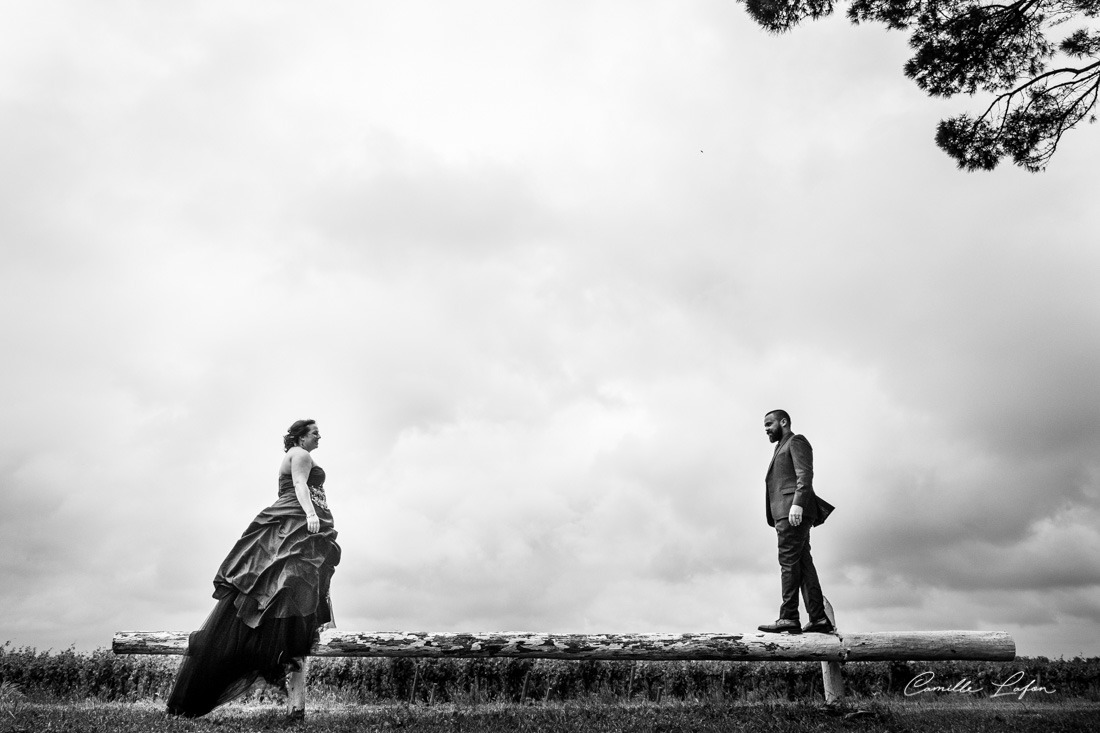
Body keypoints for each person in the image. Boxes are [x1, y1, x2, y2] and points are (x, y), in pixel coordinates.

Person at [167, 419, 341, 717]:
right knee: (287, 577)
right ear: (300, 437)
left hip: (300, 522)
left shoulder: (303, 454)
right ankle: (273, 640)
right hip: (297, 519)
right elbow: (300, 484)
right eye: (315, 432)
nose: (319, 436)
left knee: (295, 576)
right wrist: (311, 514)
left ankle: (285, 638)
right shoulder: (300, 455)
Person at [758, 409, 834, 635]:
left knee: (788, 563)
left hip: (792, 511)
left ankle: (788, 617)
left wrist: (798, 504)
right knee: (802, 564)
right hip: (787, 512)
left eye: (769, 424)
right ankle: (818, 617)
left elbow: (805, 474)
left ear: (784, 422)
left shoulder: (796, 441)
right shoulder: (779, 446)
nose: (766, 429)